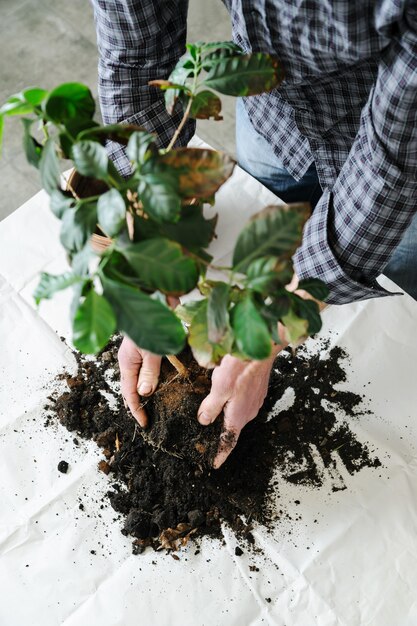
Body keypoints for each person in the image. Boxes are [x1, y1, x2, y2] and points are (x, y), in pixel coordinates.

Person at [91, 0, 417, 467]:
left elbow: (395, 159)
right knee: (263, 187)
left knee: (400, 293)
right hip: (274, 111)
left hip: (401, 167)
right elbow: (136, 59)